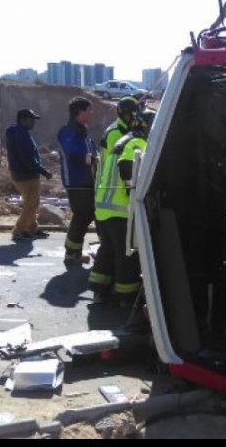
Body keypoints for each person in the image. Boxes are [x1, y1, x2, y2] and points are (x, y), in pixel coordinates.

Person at [89, 109, 155, 305]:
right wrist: (132, 191)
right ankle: (126, 296)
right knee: (127, 253)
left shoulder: (122, 140)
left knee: (108, 248)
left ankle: (99, 289)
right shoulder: (137, 143)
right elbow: (126, 166)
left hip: (104, 207)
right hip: (120, 208)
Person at [57, 97, 98, 266]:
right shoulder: (67, 132)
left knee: (84, 216)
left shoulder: (83, 132)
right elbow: (72, 154)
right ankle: (71, 253)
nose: (91, 113)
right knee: (83, 215)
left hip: (87, 180)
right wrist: (91, 159)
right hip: (76, 181)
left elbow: (90, 152)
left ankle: (74, 252)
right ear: (79, 112)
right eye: (88, 110)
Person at [5, 108, 53, 242]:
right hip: (28, 176)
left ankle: (31, 228)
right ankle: (18, 231)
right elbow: (28, 159)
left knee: (31, 203)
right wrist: (44, 171)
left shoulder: (18, 133)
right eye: (31, 120)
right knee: (31, 205)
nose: (33, 123)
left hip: (19, 175)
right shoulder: (21, 136)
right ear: (22, 120)